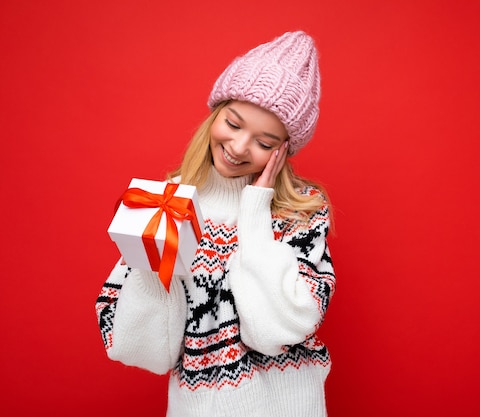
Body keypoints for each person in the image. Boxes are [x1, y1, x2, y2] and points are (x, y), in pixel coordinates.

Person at [95, 31, 336, 417]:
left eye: (264, 141)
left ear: (284, 150)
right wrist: (151, 262)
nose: (239, 147)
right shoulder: (165, 204)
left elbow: (275, 333)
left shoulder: (302, 211)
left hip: (287, 405)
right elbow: (144, 351)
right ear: (215, 113)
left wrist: (255, 212)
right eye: (234, 123)